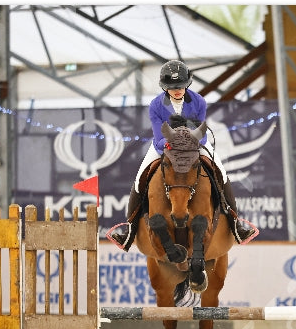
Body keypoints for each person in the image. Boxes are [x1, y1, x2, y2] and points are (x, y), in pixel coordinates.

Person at [109, 59, 257, 251]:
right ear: (165, 87)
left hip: (195, 144)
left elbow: (201, 134)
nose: (177, 90)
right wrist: (171, 143)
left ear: (187, 83)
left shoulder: (198, 101)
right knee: (140, 177)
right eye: (172, 87)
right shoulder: (155, 105)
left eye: (181, 86)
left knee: (221, 170)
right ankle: (130, 227)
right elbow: (158, 136)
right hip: (165, 146)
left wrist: (187, 140)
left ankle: (235, 222)